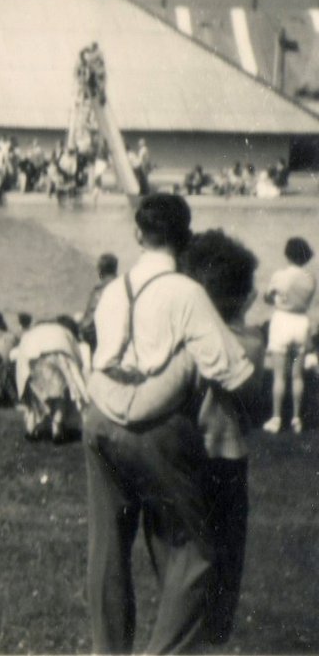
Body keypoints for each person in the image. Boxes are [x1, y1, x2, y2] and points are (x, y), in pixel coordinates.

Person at [84, 194, 256, 655]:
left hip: (100, 418)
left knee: (108, 550)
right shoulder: (186, 291)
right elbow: (230, 370)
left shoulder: (112, 289)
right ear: (185, 235)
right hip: (155, 426)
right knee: (197, 553)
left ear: (139, 234)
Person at [178, 228, 265, 646]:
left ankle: (192, 631)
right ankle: (210, 635)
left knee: (194, 553)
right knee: (226, 557)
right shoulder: (248, 342)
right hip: (229, 454)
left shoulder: (194, 340)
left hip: (195, 451)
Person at [262, 236, 314, 434]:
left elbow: (268, 297)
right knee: (297, 375)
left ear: (288, 254)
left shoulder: (280, 275)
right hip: (301, 322)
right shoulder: (310, 278)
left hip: (282, 320)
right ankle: (296, 418)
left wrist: (274, 298)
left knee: (279, 375)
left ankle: (276, 418)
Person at [78, 253, 119, 353]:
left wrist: (79, 331)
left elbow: (89, 323)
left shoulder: (101, 290)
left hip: (101, 343)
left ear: (100, 270)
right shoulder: (124, 286)